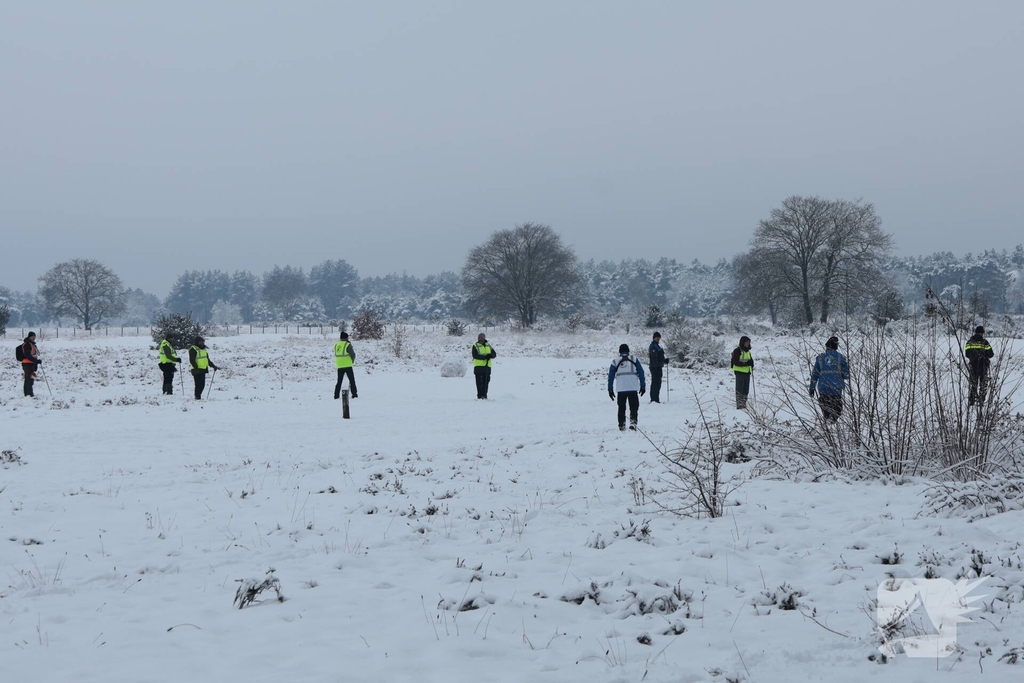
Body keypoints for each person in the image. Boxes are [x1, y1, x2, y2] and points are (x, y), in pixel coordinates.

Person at [809, 336, 850, 422]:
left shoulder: (820, 358)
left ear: (827, 347)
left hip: (823, 388)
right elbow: (846, 375)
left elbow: (814, 374)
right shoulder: (841, 358)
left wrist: (812, 388)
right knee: (836, 411)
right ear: (836, 347)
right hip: (836, 389)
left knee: (826, 411)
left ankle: (828, 428)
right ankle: (833, 426)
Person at [608, 343, 646, 431]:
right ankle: (633, 422)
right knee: (634, 407)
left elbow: (610, 376)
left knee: (621, 408)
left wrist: (610, 389)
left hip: (621, 389)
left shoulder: (615, 361)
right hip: (633, 388)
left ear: (619, 351)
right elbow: (641, 373)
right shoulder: (634, 359)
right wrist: (643, 386)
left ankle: (621, 424)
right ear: (628, 351)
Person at [965, 325, 994, 406]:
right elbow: (991, 354)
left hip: (973, 366)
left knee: (973, 383)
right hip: (983, 366)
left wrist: (973, 358)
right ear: (982, 333)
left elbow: (967, 354)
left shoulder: (969, 342)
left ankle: (971, 400)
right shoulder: (985, 342)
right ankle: (981, 401)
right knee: (983, 384)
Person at [471, 333, 496, 399]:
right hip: (478, 367)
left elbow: (494, 354)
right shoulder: (475, 345)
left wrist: (490, 356)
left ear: (484, 338)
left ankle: (484, 395)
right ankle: (479, 396)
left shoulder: (488, 345)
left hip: (487, 367)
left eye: (482, 337)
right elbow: (475, 355)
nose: (481, 339)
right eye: (480, 337)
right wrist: (485, 357)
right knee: (479, 382)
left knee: (486, 382)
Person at [731, 336, 753, 409]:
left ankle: (744, 403)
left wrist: (751, 363)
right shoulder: (737, 351)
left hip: (747, 372)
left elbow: (750, 361)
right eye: (746, 342)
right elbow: (735, 362)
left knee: (745, 389)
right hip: (739, 372)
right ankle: (740, 404)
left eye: (748, 342)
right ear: (742, 342)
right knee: (740, 389)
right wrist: (747, 363)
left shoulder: (748, 352)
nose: (747, 344)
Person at [334, 331, 358, 399]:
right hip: (347, 365)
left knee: (339, 381)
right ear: (346, 337)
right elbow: (353, 354)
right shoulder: (347, 344)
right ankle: (354, 394)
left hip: (339, 365)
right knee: (351, 380)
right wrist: (352, 361)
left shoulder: (337, 345)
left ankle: (336, 395)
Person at [20, 332, 41, 397]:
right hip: (27, 364)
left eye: (35, 336)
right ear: (29, 337)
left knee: (28, 378)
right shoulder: (27, 344)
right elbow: (27, 355)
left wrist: (36, 361)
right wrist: (35, 361)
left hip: (31, 363)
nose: (34, 337)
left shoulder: (32, 344)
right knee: (29, 379)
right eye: (33, 336)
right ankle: (29, 394)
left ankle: (27, 393)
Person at [648, 331, 666, 403]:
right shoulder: (653, 346)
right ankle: (654, 398)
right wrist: (656, 365)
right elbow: (654, 357)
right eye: (657, 337)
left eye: (659, 337)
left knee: (657, 382)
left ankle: (655, 398)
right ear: (654, 338)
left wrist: (664, 360)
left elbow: (660, 356)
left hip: (658, 366)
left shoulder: (657, 346)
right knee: (655, 383)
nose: (658, 339)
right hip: (655, 367)